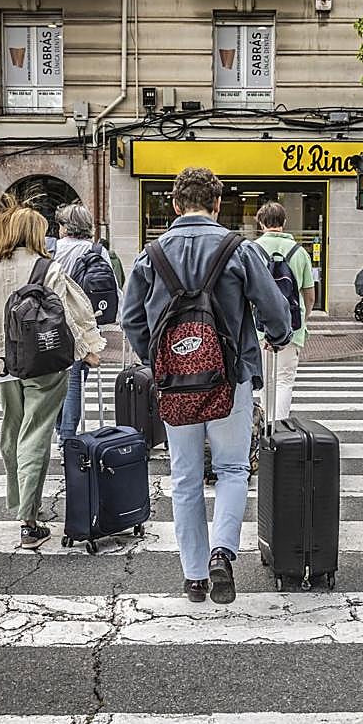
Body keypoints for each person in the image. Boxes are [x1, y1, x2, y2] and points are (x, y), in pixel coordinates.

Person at [121, 167, 292, 605]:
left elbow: (131, 320)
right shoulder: (240, 250)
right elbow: (274, 309)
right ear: (218, 204)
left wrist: (157, 359)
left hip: (175, 383)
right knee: (233, 468)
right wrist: (278, 335)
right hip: (229, 378)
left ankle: (195, 575)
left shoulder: (151, 254)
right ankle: (223, 551)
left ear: (175, 205)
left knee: (185, 477)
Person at [0, 194, 105, 549]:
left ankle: (20, 503)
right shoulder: (48, 268)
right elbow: (74, 313)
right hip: (43, 363)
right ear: (35, 234)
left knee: (12, 430)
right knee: (36, 433)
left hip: (1, 364)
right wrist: (89, 349)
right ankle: (28, 518)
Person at [51, 202, 116, 444]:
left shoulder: (52, 249)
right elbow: (112, 288)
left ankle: (61, 432)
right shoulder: (97, 251)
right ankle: (67, 436)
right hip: (85, 324)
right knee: (76, 381)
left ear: (65, 227)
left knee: (56, 380)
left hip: (54, 322)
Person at [253, 200, 316, 418]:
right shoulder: (300, 252)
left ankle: (266, 432)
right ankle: (280, 433)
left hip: (259, 328)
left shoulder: (251, 251)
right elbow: (309, 295)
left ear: (261, 223)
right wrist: (303, 319)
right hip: (291, 328)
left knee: (265, 382)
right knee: (284, 381)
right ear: (284, 222)